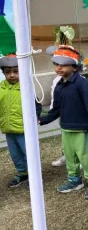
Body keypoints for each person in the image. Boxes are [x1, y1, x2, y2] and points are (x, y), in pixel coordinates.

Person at [39, 46, 88, 199]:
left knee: (85, 157)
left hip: (81, 129)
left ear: (74, 67)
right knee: (69, 157)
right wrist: (42, 120)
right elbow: (56, 110)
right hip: (66, 128)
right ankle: (74, 180)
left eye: (63, 64)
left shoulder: (83, 83)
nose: (58, 68)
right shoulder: (59, 85)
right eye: (56, 64)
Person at [0, 54, 42, 188]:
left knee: (28, 152)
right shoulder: (1, 87)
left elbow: (37, 105)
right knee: (15, 154)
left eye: (15, 71)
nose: (12, 75)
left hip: (24, 129)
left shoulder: (26, 86)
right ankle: (22, 172)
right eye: (7, 72)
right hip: (8, 128)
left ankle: (35, 175)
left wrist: (36, 116)